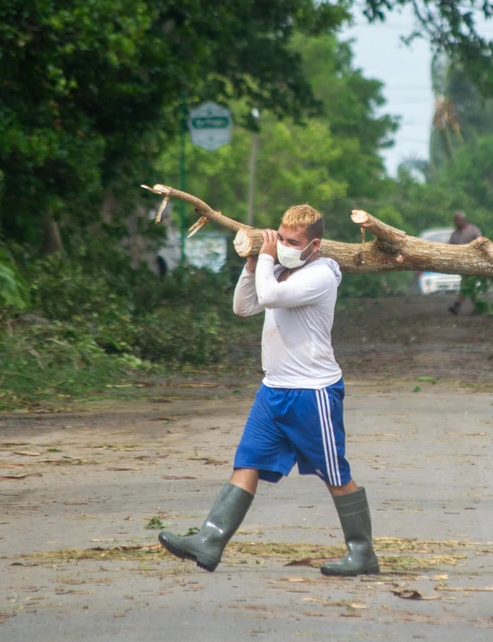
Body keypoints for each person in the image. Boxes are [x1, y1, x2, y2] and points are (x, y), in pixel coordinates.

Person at [158, 205, 380, 577]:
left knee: (334, 473)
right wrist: (252, 265)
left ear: (315, 245)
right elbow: (244, 306)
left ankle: (362, 553)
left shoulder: (321, 274)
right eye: (281, 237)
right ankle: (210, 540)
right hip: (273, 389)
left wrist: (263, 256)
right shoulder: (278, 270)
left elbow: (272, 297)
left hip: (312, 393)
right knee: (247, 462)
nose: (283, 246)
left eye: (292, 242)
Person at [447, 212, 483, 315]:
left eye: (459, 220)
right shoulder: (455, 234)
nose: (457, 222)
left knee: (466, 284)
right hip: (463, 264)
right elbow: (449, 247)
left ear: (463, 220)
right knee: (468, 286)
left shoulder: (473, 230)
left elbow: (481, 241)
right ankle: (477, 306)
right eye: (456, 221)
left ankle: (457, 305)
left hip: (474, 262)